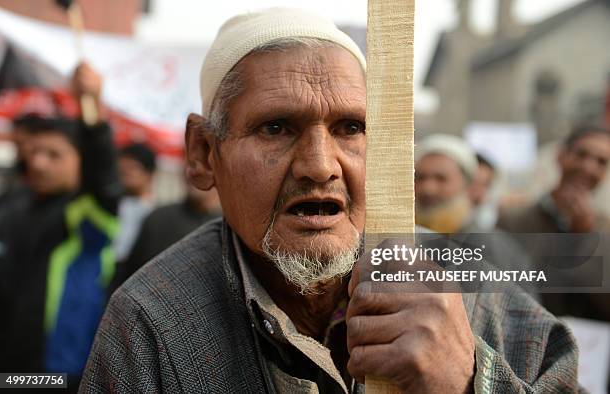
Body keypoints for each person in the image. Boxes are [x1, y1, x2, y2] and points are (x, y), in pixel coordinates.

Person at [81, 8, 578, 393]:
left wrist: (469, 380)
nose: (320, 166)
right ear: (204, 154)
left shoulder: (472, 287)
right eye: (276, 128)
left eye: (350, 128)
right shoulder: (150, 321)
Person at [0, 63, 120, 391]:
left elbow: (103, 179)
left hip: (60, 372)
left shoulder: (88, 213)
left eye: (54, 155)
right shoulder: (11, 207)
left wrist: (91, 109)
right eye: (35, 152)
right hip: (8, 368)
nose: (39, 162)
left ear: (81, 162)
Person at [498, 124, 610, 321]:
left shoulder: (604, 229)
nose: (588, 167)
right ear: (560, 156)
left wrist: (585, 238)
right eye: (581, 155)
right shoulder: (514, 220)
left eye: (601, 161)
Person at [114, 183, 221, 288]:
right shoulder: (158, 218)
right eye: (190, 165)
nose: (193, 170)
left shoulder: (229, 226)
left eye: (207, 165)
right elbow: (130, 273)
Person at [113, 142, 157, 262]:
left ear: (149, 174)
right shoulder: (113, 204)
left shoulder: (155, 214)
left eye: (132, 167)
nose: (125, 173)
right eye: (122, 168)